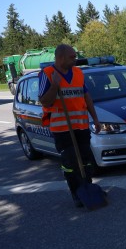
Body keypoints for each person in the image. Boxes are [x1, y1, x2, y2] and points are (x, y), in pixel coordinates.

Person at [39, 44, 101, 207]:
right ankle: (76, 193)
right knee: (71, 163)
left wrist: (95, 119)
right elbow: (44, 101)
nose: (75, 60)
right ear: (60, 58)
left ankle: (87, 187)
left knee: (86, 160)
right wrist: (54, 85)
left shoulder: (79, 73)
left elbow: (86, 98)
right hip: (62, 129)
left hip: (81, 126)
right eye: (72, 57)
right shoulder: (47, 74)